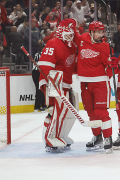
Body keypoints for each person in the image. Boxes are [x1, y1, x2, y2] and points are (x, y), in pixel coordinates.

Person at [38, 19, 78, 152]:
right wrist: (53, 83)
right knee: (56, 111)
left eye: (71, 33)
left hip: (65, 83)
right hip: (53, 82)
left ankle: (61, 135)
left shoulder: (72, 46)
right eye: (67, 33)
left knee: (70, 111)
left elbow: (73, 66)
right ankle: (49, 138)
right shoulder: (53, 43)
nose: (70, 36)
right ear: (60, 31)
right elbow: (45, 66)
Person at [76, 21, 114, 153]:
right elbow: (73, 33)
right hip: (84, 83)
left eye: (101, 32)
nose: (100, 34)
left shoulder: (105, 46)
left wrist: (111, 64)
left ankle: (108, 137)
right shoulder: (82, 39)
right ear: (91, 32)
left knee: (101, 112)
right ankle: (97, 137)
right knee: (91, 112)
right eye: (97, 32)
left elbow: (109, 66)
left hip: (100, 82)